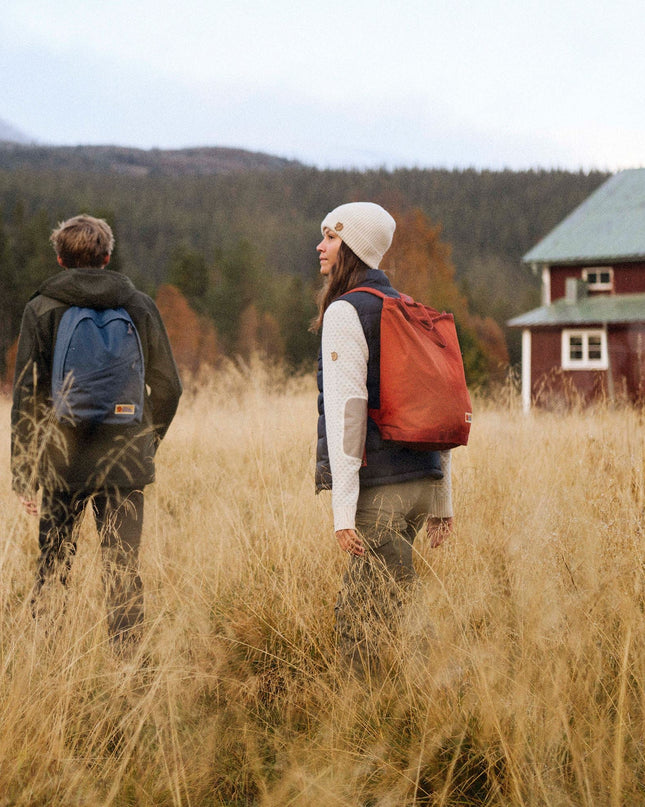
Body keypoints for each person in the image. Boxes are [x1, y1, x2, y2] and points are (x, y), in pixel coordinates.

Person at [11, 214, 182, 652]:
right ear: (107, 256)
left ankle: (46, 668)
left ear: (60, 258)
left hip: (60, 462)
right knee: (122, 570)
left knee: (52, 569)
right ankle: (127, 672)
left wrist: (25, 472)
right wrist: (145, 441)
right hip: (123, 462)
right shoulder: (138, 304)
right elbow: (168, 386)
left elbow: (27, 395)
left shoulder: (43, 308)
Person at [313, 202, 453, 674]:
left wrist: (342, 509)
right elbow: (439, 410)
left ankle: (369, 721)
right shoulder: (409, 308)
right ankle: (422, 701)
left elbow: (347, 413)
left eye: (330, 237)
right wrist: (441, 498)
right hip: (421, 483)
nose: (320, 246)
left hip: (382, 492)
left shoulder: (346, 312)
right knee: (395, 600)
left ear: (352, 247)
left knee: (360, 620)